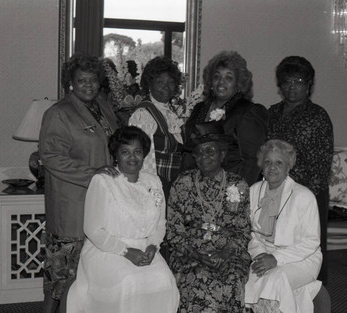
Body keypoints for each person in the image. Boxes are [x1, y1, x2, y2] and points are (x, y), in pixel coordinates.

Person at [66, 126, 179, 313]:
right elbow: (93, 230)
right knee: (130, 282)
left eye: (137, 152)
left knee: (164, 279)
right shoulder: (103, 181)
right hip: (107, 250)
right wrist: (126, 251)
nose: (132, 157)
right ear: (116, 156)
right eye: (125, 152)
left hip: (145, 247)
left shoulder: (153, 181)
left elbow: (160, 223)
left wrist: (153, 246)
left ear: (144, 155)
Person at [39, 53, 119, 313]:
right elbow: (51, 157)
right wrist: (95, 174)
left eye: (93, 80)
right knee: (62, 277)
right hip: (71, 207)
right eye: (81, 80)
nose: (88, 85)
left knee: (89, 276)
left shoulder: (104, 107)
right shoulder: (59, 113)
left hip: (100, 206)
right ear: (70, 83)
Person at [166, 123, 252, 312]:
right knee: (200, 278)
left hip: (229, 255)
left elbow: (243, 231)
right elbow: (173, 232)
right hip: (189, 255)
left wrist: (224, 253)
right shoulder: (183, 183)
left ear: (222, 154)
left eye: (210, 151)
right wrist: (197, 254)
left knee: (232, 279)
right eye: (199, 152)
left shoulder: (238, 185)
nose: (204, 156)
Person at [266, 56, 333, 284]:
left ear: (309, 85)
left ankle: (315, 299)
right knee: (275, 248)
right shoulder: (272, 112)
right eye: (286, 81)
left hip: (307, 196)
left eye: (299, 81)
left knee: (305, 251)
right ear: (280, 84)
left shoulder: (318, 116)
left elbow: (321, 166)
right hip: (274, 192)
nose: (292, 86)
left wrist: (298, 198)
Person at [245, 140, 322, 313]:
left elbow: (311, 242)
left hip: (301, 259)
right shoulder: (253, 191)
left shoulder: (304, 196)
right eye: (267, 162)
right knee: (245, 279)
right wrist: (260, 254)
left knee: (275, 279)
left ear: (288, 167)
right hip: (263, 255)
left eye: (279, 162)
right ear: (261, 167)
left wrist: (276, 258)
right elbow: (249, 233)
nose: (272, 167)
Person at [182, 50, 268, 186]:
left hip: (229, 189)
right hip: (196, 186)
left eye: (229, 77)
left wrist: (237, 192)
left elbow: (253, 160)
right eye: (217, 77)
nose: (221, 82)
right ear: (210, 82)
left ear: (239, 84)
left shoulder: (248, 112)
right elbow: (189, 150)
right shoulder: (199, 108)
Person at [128, 56, 185, 197]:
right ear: (149, 84)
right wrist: (151, 192)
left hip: (172, 186)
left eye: (171, 82)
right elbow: (141, 159)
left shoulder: (169, 111)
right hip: (155, 188)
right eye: (160, 82)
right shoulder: (143, 114)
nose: (166, 86)